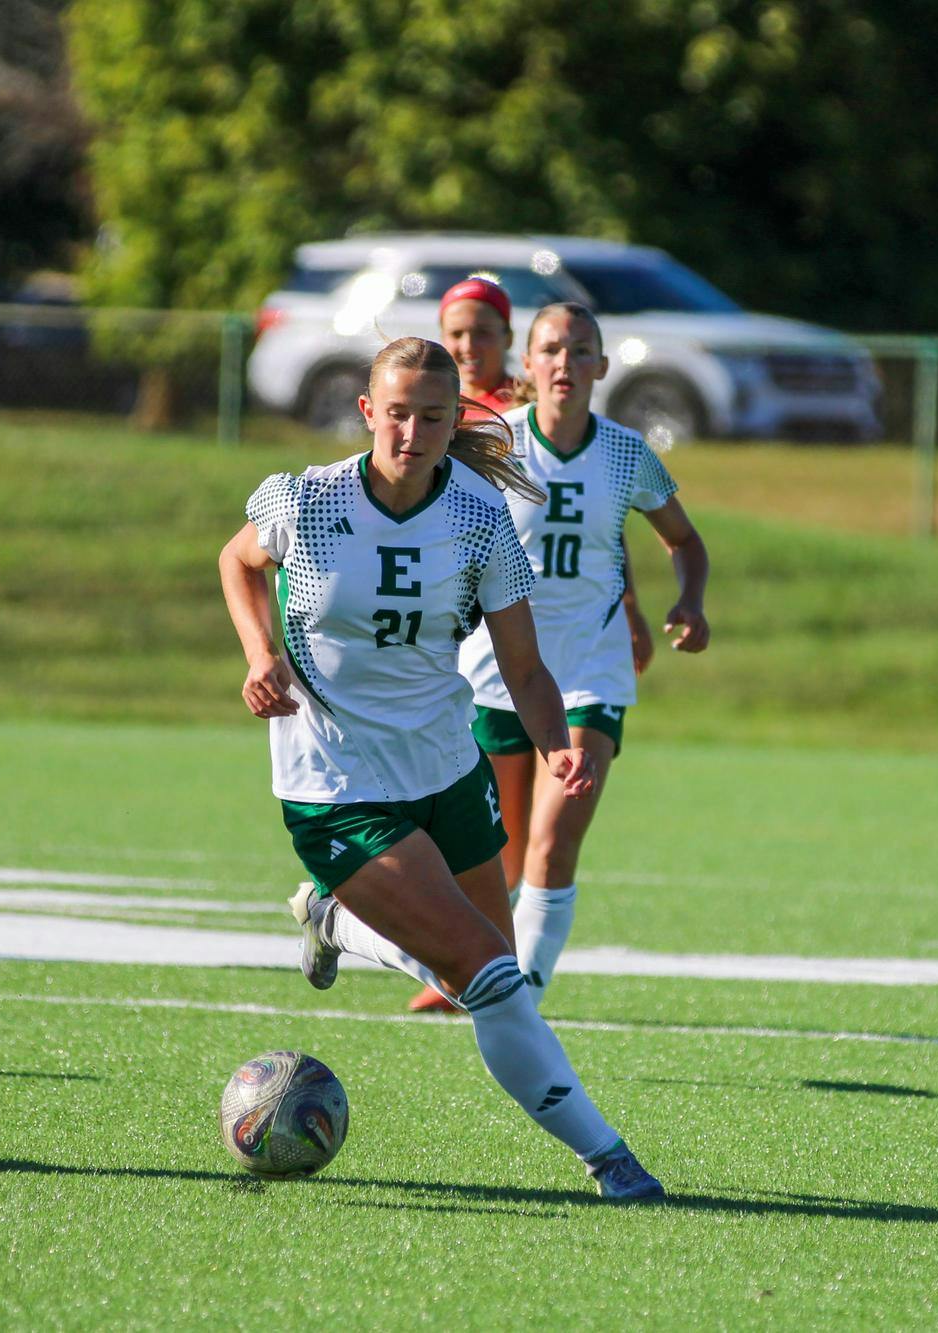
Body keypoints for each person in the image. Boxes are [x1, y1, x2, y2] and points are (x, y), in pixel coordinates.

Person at [217, 334, 664, 1201]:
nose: (413, 432)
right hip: (337, 781)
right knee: (491, 975)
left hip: (447, 767)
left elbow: (525, 669)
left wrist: (555, 744)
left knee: (493, 982)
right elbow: (237, 559)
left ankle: (335, 922)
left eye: (432, 416)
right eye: (397, 414)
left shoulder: (476, 513)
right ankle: (611, 1159)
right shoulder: (307, 501)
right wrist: (257, 652)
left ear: (454, 417)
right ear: (367, 412)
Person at [438, 302, 707, 1008]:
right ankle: (482, 972)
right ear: (528, 364)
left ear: (602, 367)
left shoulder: (624, 452)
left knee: (553, 844)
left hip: (591, 667)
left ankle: (521, 996)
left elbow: (683, 539)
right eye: (551, 349)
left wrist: (686, 601)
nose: (564, 362)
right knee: (500, 856)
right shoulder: (492, 444)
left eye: (580, 350)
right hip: (498, 667)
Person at [437, 277, 521, 415]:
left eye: (482, 333)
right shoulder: (434, 406)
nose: (468, 346)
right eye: (456, 334)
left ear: (508, 338)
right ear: (443, 339)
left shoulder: (525, 407)